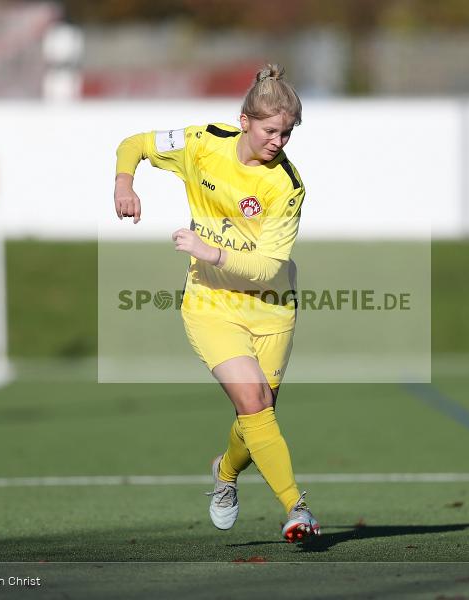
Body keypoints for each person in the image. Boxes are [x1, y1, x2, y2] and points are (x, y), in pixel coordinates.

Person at [113, 64, 319, 542]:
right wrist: (125, 184)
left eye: (287, 134)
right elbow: (135, 144)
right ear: (245, 120)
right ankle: (297, 508)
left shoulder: (286, 186)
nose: (279, 142)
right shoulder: (202, 141)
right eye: (271, 130)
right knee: (253, 402)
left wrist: (212, 251)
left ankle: (225, 474)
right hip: (211, 305)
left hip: (271, 311)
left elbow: (269, 267)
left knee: (259, 411)